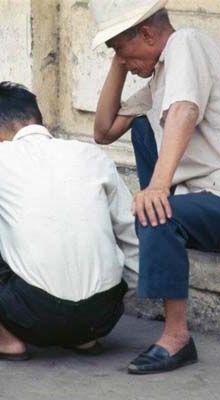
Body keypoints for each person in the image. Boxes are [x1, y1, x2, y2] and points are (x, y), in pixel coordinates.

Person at [0, 82, 138, 360]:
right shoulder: (93, 156)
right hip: (103, 316)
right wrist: (125, 292)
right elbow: (129, 231)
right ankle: (82, 338)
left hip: (31, 313)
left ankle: (5, 336)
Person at [90, 0, 220, 374]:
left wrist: (157, 189)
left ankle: (177, 338)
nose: (124, 62)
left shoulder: (186, 44)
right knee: (143, 125)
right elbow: (103, 130)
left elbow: (183, 111)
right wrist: (119, 58)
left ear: (147, 33)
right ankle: (159, 216)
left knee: (155, 213)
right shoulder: (160, 76)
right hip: (200, 201)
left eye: (121, 49)